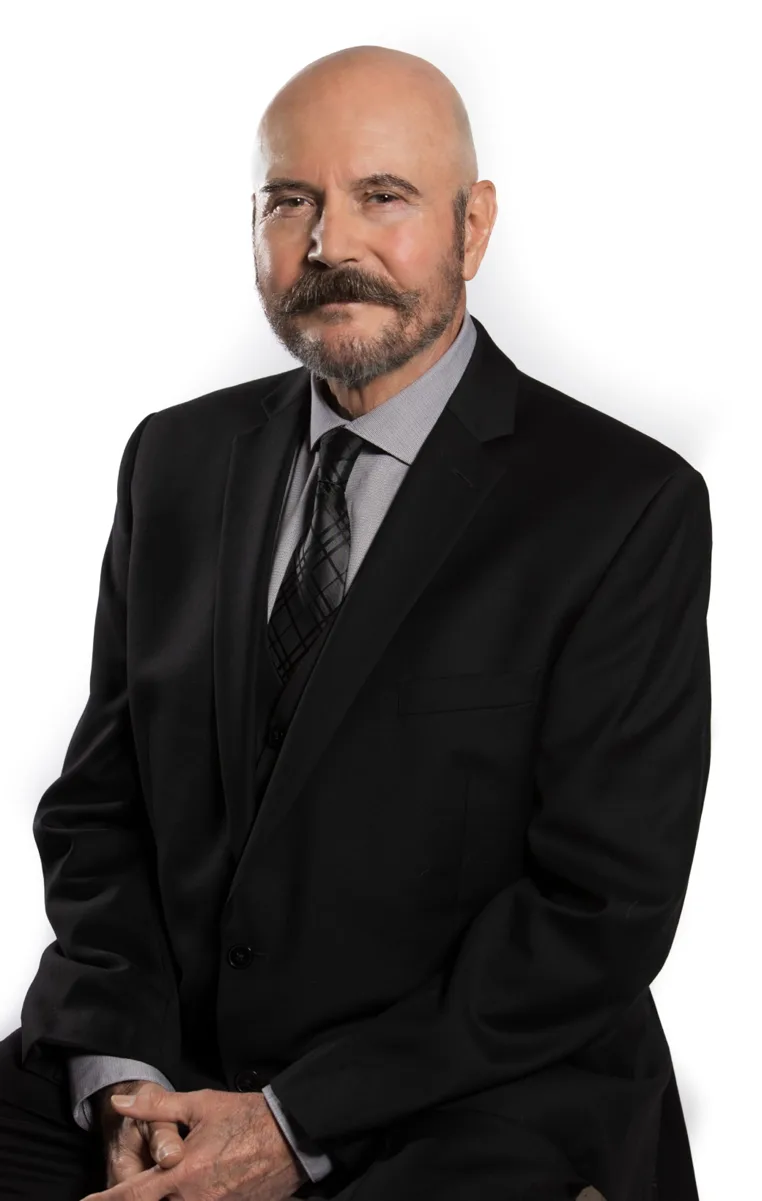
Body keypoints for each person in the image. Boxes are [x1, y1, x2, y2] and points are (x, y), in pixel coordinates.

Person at [0, 42, 712, 1201]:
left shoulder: (620, 507)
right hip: (171, 1070)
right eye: (291, 202)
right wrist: (121, 1068)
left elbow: (599, 910)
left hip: (471, 1093)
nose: (328, 246)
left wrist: (290, 1123)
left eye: (382, 197)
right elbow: (101, 805)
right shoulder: (175, 461)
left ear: (472, 226)